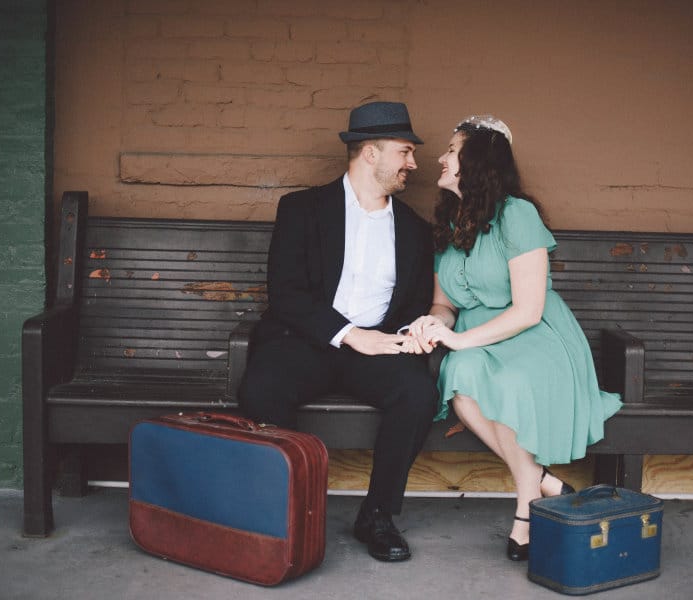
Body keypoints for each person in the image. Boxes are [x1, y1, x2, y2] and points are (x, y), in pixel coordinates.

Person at [406, 115, 623, 561]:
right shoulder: (450, 223)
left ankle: (525, 510)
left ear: (478, 161)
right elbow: (444, 303)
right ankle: (545, 482)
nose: (442, 159)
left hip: (533, 336)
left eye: (452, 150)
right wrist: (434, 326)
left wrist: (461, 341)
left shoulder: (517, 216)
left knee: (509, 384)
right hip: (475, 336)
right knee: (459, 379)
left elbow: (528, 310)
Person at [238, 101, 438, 562]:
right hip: (308, 342)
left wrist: (407, 335)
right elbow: (284, 293)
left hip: (376, 351)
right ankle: (286, 512)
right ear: (370, 153)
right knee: (262, 386)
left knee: (419, 393)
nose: (413, 163)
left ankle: (378, 514)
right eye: (405, 152)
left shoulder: (414, 229)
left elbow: (411, 303)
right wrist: (349, 334)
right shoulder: (301, 209)